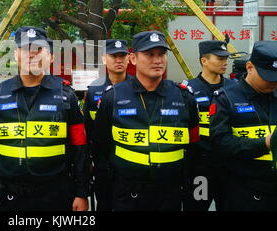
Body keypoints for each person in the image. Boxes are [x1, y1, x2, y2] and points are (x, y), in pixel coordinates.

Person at [0, 26, 90, 211]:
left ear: (51, 57)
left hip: (55, 193)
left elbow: (80, 148)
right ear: (16, 55)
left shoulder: (66, 96)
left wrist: (81, 192)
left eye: (39, 49)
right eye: (26, 49)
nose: (32, 54)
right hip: (10, 193)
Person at [93, 31, 199, 211]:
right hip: (127, 194)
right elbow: (101, 150)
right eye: (150, 54)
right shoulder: (113, 97)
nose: (157, 60)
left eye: (161, 54)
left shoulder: (184, 97)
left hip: (170, 194)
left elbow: (194, 150)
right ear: (133, 58)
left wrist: (193, 194)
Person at [210, 41, 277, 211]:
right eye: (267, 76)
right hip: (244, 192)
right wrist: (265, 143)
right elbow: (220, 143)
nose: (273, 82)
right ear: (249, 67)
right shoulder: (226, 98)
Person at [183, 40, 235, 211]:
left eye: (225, 58)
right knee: (197, 206)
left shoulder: (234, 89)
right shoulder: (189, 90)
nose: (225, 62)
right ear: (204, 61)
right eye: (219, 58)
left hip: (229, 167)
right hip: (201, 168)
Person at [83, 39, 130, 211]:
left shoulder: (138, 88)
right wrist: (87, 160)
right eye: (113, 56)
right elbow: (86, 128)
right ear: (104, 59)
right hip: (102, 163)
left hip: (129, 164)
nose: (118, 60)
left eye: (122, 56)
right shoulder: (93, 90)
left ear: (129, 59)